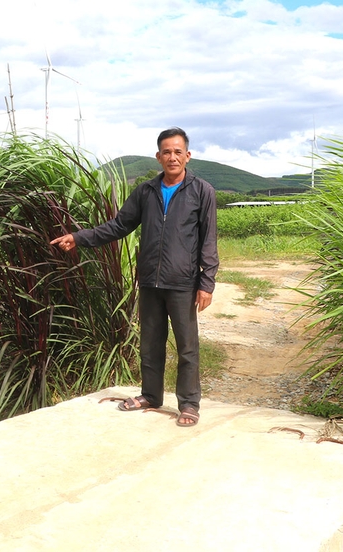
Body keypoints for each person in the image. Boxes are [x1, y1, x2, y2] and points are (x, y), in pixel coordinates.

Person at [50, 127, 218, 427]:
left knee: (187, 347)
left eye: (178, 151)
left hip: (182, 282)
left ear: (188, 156)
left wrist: (206, 283)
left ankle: (189, 404)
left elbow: (208, 240)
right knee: (150, 343)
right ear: (158, 157)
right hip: (150, 281)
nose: (172, 157)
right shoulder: (145, 191)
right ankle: (151, 395)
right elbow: (118, 226)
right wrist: (79, 237)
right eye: (166, 151)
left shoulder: (202, 191)